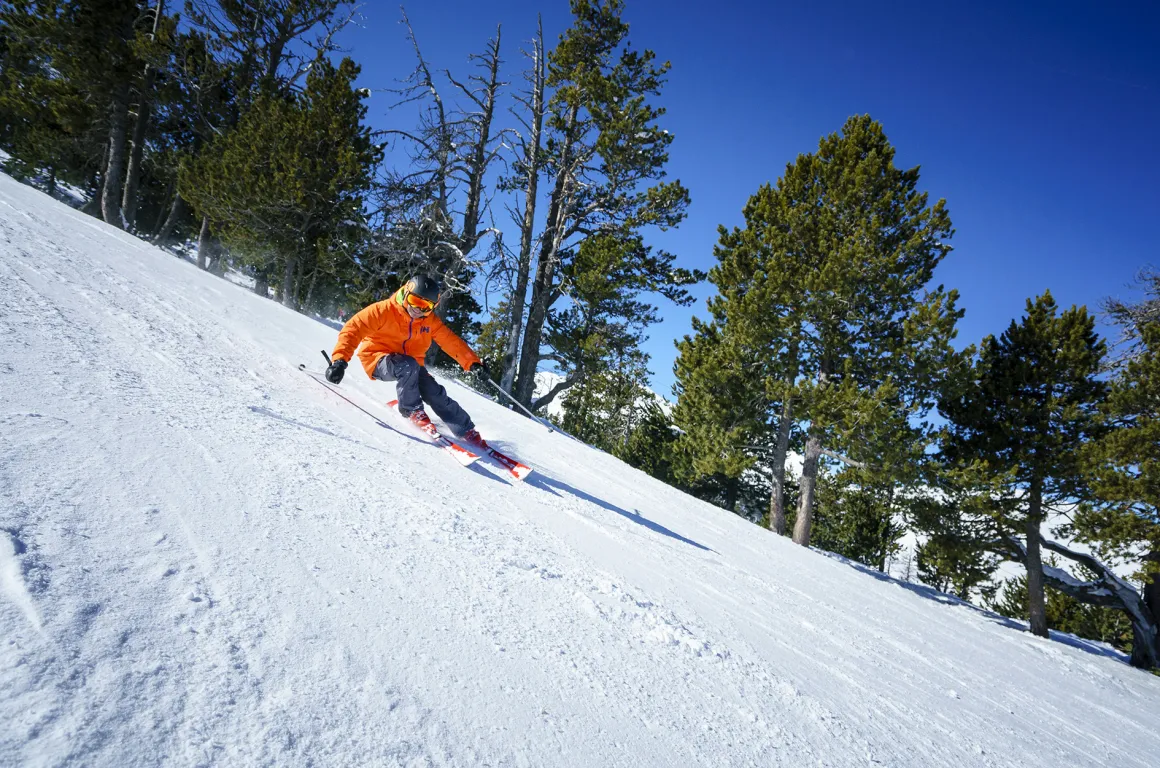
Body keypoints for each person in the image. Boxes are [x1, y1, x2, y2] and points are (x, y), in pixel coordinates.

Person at [325, 275, 490, 440]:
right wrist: (340, 361)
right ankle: (412, 410)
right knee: (407, 365)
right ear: (405, 293)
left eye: (426, 306)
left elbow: (451, 342)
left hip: (412, 364)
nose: (418, 309)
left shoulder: (429, 321)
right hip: (377, 358)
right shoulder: (383, 310)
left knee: (433, 391)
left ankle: (465, 428)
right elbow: (353, 329)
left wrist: (473, 363)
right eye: (415, 300)